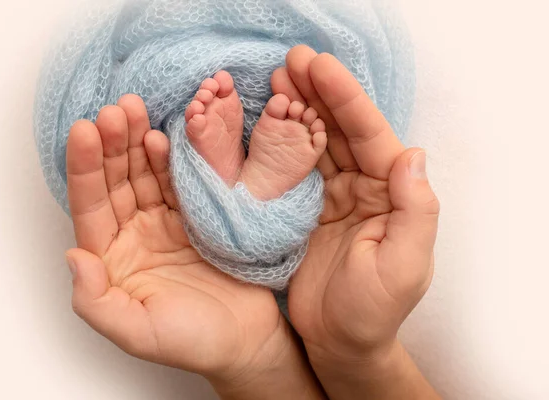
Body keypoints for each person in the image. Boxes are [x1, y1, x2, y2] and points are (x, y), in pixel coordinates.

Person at [64, 44, 441, 399]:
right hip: (308, 254)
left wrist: (261, 367)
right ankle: (245, 193)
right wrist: (355, 354)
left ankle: (233, 191)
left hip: (230, 252)